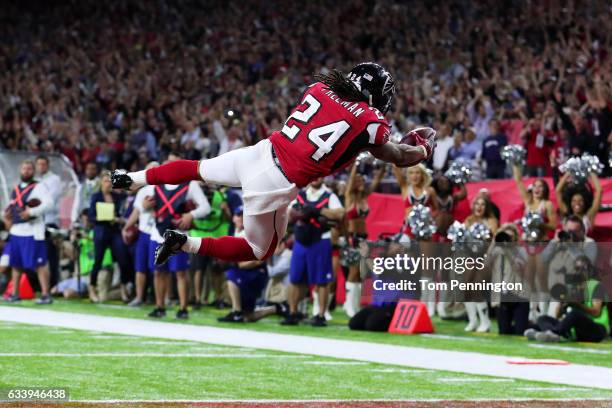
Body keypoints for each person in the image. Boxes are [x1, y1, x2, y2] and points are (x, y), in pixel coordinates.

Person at [111, 63, 435, 267]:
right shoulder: (370, 121)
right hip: (274, 181)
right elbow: (395, 155)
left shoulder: (319, 89)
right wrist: (422, 150)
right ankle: (186, 243)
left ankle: (133, 178)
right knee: (259, 251)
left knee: (197, 167)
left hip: (257, 153)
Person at [147, 155, 210, 319]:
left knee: (181, 273)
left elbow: (206, 207)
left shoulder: (190, 184)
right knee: (159, 272)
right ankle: (159, 306)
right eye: (167, 162)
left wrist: (191, 215)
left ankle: (183, 308)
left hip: (179, 235)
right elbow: (144, 205)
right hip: (158, 233)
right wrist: (145, 206)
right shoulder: (155, 183)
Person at [282, 178, 345, 326]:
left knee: (322, 281)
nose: (317, 179)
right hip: (301, 240)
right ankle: (293, 312)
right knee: (295, 279)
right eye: (314, 176)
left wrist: (318, 210)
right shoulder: (300, 194)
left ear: (323, 178)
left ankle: (320, 314)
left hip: (320, 240)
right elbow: (289, 212)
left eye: (320, 176)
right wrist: (297, 213)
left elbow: (340, 214)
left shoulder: (329, 195)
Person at [525, 256, 608, 343]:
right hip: (577, 329)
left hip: (598, 329)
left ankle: (553, 333)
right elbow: (558, 316)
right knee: (543, 318)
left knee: (575, 314)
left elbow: (596, 312)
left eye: (582, 268)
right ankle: (553, 334)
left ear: (589, 270)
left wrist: (576, 304)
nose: (579, 272)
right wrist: (562, 305)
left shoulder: (595, 286)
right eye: (576, 269)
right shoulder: (573, 287)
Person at [4, 160, 53, 304]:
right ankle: (14, 294)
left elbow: (49, 204)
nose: (26, 171)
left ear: (33, 171)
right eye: (24, 168)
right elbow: (12, 205)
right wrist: (6, 214)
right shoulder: (16, 188)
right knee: (16, 264)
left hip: (32, 230)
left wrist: (31, 212)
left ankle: (46, 295)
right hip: (16, 230)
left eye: (29, 169)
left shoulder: (39, 187)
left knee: (40, 263)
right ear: (20, 170)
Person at [342, 161, 383, 317]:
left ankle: (354, 304)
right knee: (353, 272)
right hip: (353, 238)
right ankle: (349, 305)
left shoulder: (365, 197)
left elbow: (377, 180)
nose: (360, 183)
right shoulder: (349, 197)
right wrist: (356, 166)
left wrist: (383, 165)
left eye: (362, 180)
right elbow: (351, 180)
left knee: (360, 273)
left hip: (363, 239)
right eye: (357, 181)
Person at [88, 172, 133, 303]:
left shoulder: (118, 197)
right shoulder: (96, 196)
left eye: (110, 181)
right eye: (106, 181)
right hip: (101, 230)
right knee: (98, 260)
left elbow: (122, 213)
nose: (108, 184)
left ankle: (124, 288)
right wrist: (101, 218)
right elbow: (91, 216)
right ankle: (92, 288)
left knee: (123, 259)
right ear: (101, 183)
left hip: (114, 230)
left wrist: (117, 219)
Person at [122, 162, 159, 307]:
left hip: (157, 232)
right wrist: (126, 227)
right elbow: (136, 211)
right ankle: (139, 297)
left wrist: (150, 206)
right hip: (144, 232)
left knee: (158, 269)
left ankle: (161, 298)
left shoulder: (165, 188)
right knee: (140, 267)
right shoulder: (143, 191)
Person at [463, 195, 499, 332]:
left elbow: (495, 241)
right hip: (469, 258)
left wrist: (487, 257)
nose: (479, 207)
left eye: (482, 204)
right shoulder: (469, 220)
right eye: (476, 204)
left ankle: (485, 321)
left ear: (487, 207)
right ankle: (473, 320)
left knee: (477, 287)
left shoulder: (492, 221)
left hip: (485, 258)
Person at [35, 156, 62, 288]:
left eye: (43, 164)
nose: (41, 167)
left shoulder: (54, 179)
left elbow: (50, 200)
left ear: (48, 165)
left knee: (51, 255)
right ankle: (40, 285)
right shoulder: (36, 181)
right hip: (37, 222)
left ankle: (53, 285)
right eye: (39, 164)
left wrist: (35, 204)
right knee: (39, 255)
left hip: (50, 222)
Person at [555, 172, 602, 237]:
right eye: (574, 201)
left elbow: (599, 190)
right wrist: (569, 172)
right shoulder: (566, 213)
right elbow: (558, 191)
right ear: (569, 202)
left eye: (581, 200)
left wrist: (591, 172)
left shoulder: (589, 216)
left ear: (585, 202)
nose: (577, 203)